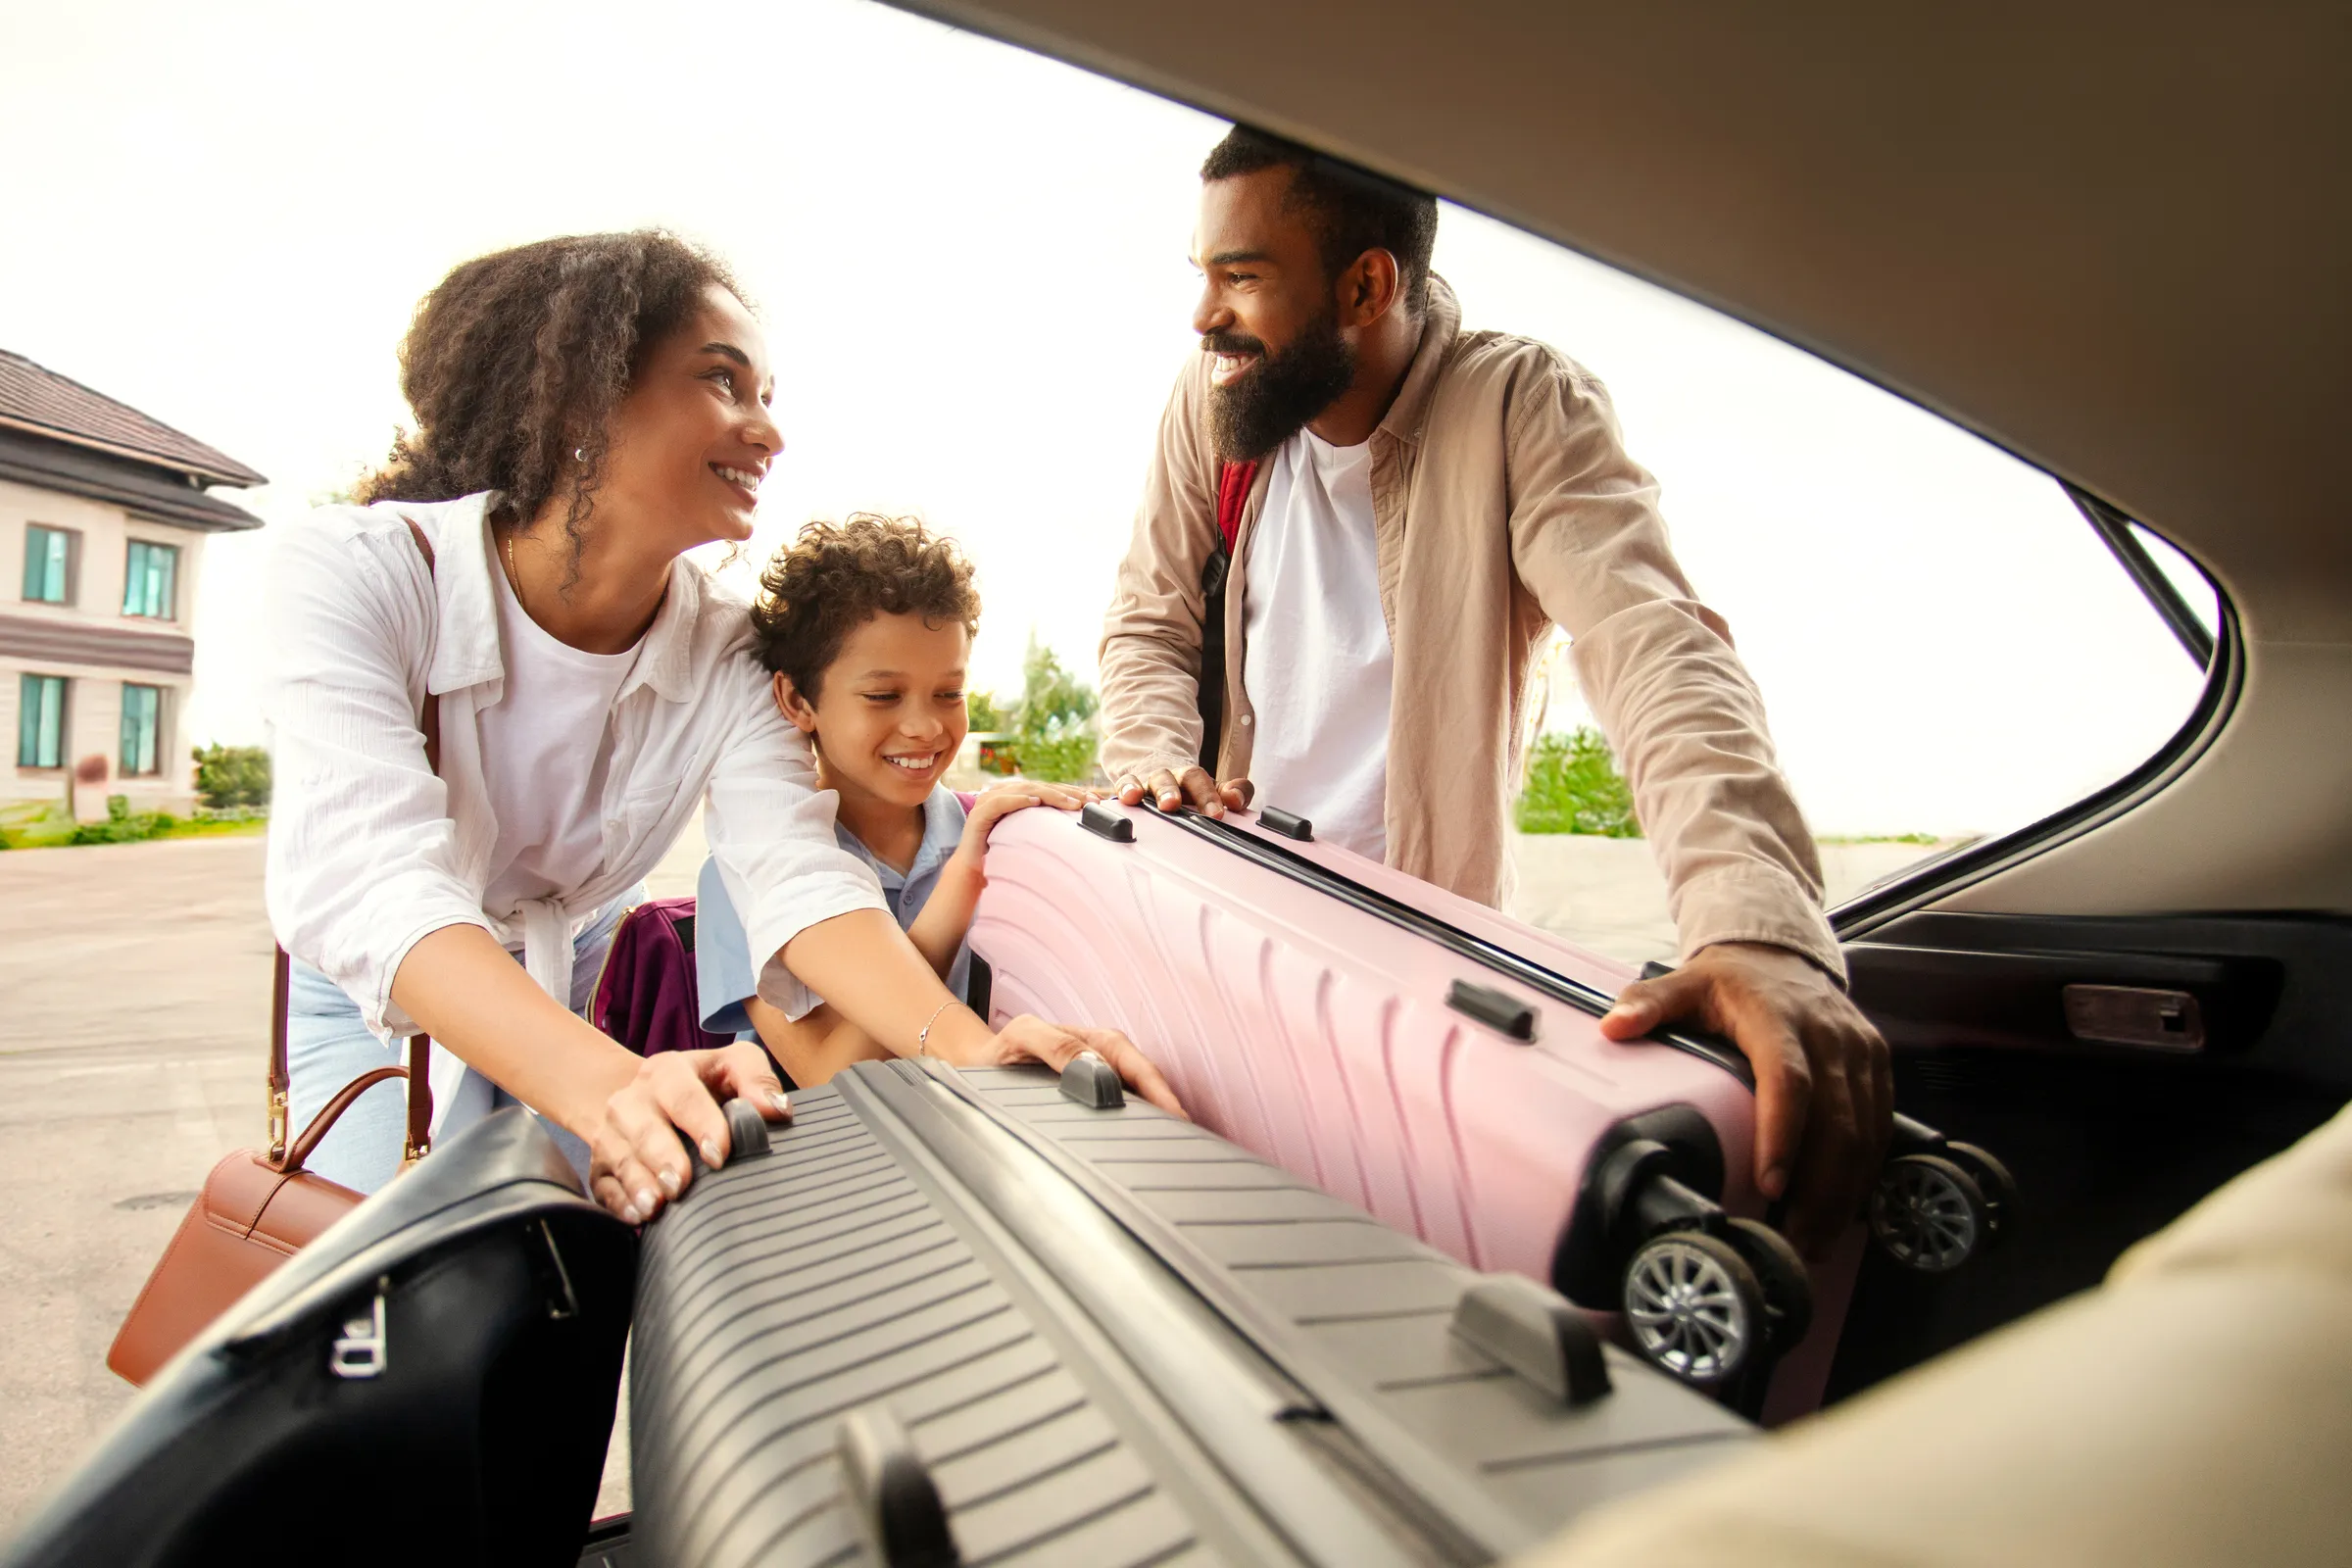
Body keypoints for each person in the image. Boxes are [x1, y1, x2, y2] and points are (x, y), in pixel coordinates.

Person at [268, 231, 1175, 1228]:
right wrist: (613, 1087)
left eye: (768, 397)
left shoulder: (725, 649)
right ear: (579, 398)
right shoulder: (357, 573)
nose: (767, 433)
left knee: (548, 1290)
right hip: (380, 998)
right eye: (723, 382)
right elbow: (372, 876)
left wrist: (971, 1050)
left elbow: (795, 877)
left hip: (565, 974)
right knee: (388, 1287)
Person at [1098, 128, 1888, 1251]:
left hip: (1417, 966)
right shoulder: (1215, 403)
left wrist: (1758, 933)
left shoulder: (1523, 406)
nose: (1203, 316)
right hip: (1232, 924)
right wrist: (1148, 758)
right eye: (1202, 275)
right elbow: (1146, 622)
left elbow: (1655, 646)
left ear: (1366, 284)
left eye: (1243, 276)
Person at [693, 514, 1094, 1086]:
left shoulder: (1004, 835)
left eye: (949, 693)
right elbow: (828, 1075)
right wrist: (960, 883)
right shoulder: (739, 881)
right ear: (796, 699)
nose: (926, 726)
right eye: (883, 695)